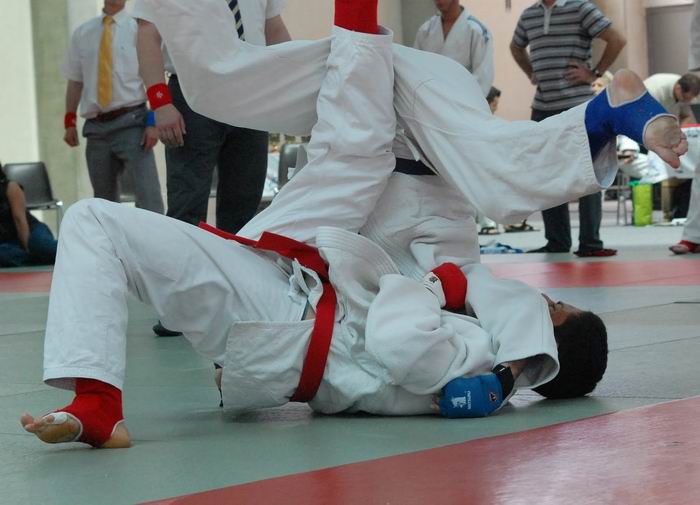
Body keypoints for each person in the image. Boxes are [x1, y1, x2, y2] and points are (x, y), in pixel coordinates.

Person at [20, 0, 686, 449]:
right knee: (466, 165)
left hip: (314, 257)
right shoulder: (471, 307)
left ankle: (96, 401)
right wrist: (476, 327)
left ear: (552, 340)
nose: (544, 298)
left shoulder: (474, 338)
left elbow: (414, 319)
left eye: (556, 307)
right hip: (371, 176)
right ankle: (605, 116)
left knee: (226, 97)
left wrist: (490, 350)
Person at [132, 0, 291, 337]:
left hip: (252, 92)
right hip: (194, 90)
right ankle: (179, 306)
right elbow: (147, 32)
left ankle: (241, 303)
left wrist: (293, 86)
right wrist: (159, 102)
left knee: (244, 207)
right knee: (187, 206)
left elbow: (273, 27)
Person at [510, 0, 626, 257]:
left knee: (587, 172)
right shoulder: (530, 15)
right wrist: (531, 72)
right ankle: (557, 240)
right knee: (546, 176)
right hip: (543, 106)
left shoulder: (580, 8)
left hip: (578, 107)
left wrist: (595, 72)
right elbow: (515, 47)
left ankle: (590, 242)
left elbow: (617, 39)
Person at [62, 0, 164, 214]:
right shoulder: (83, 33)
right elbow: (75, 80)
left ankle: (151, 235)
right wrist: (69, 120)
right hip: (96, 128)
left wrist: (153, 121)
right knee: (104, 203)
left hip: (133, 121)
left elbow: (154, 76)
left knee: (148, 197)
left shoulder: (139, 28)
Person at [414, 0, 494, 96]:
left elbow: (482, 79)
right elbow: (415, 70)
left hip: (464, 101)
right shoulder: (425, 30)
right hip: (428, 99)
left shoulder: (477, 31)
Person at [0, 163, 58, 267]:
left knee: (40, 246)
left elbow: (20, 219)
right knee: (3, 254)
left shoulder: (10, 187)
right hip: (9, 242)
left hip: (30, 231)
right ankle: (40, 260)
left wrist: (27, 247)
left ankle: (78, 252)